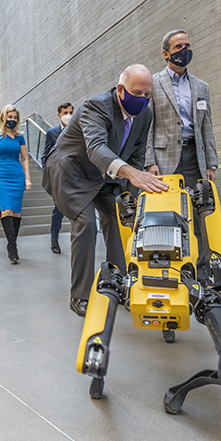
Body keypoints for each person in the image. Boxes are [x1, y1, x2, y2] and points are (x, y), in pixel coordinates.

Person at [42, 64, 168, 316]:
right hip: (72, 173)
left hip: (105, 178)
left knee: (120, 218)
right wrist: (132, 173)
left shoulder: (145, 116)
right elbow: (97, 148)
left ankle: (117, 282)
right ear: (120, 89)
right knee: (86, 223)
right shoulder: (95, 106)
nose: (143, 99)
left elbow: (137, 155)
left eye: (147, 94)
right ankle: (80, 295)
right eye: (137, 92)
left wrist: (128, 196)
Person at [146, 29, 218, 279]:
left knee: (200, 216)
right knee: (165, 216)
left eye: (187, 45)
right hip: (164, 159)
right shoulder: (153, 83)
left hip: (194, 159)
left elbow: (206, 125)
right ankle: (169, 269)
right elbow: (148, 125)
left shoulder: (201, 86)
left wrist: (211, 163)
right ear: (166, 53)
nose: (184, 50)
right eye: (178, 47)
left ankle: (202, 270)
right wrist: (148, 162)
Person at [0, 106, 31, 264]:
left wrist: (27, 178)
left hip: (16, 175)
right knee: (6, 211)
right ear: (3, 118)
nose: (12, 120)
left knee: (16, 213)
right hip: (1, 175)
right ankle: (12, 247)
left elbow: (24, 159)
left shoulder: (20, 137)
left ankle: (12, 243)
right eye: (9, 117)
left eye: (15, 118)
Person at [41, 102, 73, 254]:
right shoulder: (52, 133)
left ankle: (79, 241)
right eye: (66, 112)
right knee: (58, 211)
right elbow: (46, 156)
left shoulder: (78, 130)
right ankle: (54, 240)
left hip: (75, 178)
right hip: (59, 178)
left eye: (71, 112)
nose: (69, 115)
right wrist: (49, 175)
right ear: (59, 115)